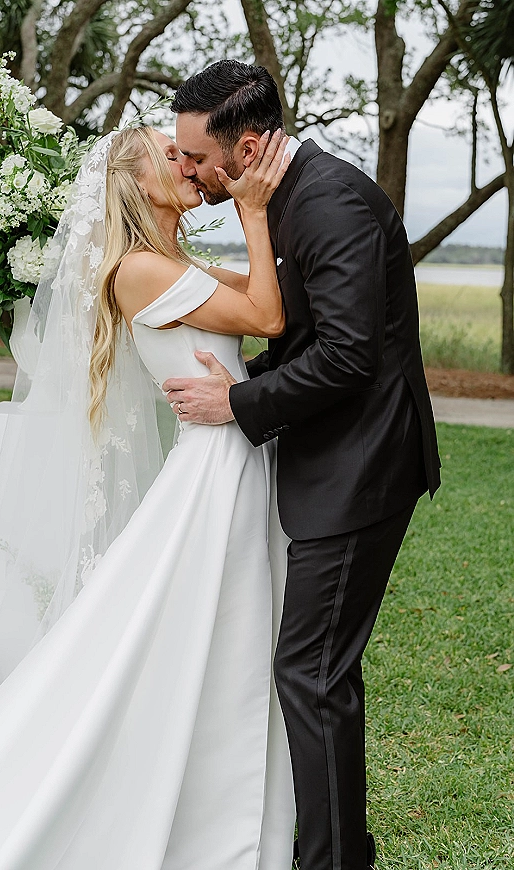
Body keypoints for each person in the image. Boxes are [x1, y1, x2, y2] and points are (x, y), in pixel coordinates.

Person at [0, 126, 297, 868]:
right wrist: (253, 212)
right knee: (196, 640)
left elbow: (273, 295)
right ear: (133, 183)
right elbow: (267, 315)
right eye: (174, 156)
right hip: (210, 474)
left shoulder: (174, 264)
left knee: (226, 641)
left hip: (232, 461)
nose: (190, 164)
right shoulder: (136, 270)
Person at [166, 61, 442, 870]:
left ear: (246, 149)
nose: (185, 171)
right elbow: (304, 332)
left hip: (361, 471)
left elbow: (352, 356)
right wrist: (253, 373)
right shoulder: (280, 199)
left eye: (194, 159)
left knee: (312, 673)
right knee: (314, 669)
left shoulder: (330, 203)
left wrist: (239, 405)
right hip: (331, 461)